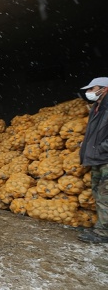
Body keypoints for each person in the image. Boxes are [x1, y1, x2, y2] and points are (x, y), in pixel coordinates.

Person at [77, 76, 108, 243]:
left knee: (105, 196)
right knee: (98, 193)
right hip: (98, 159)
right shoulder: (97, 107)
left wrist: (98, 147)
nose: (88, 92)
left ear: (103, 88)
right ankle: (101, 227)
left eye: (91, 89)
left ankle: (103, 234)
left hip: (105, 158)